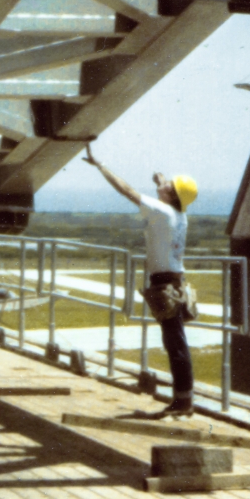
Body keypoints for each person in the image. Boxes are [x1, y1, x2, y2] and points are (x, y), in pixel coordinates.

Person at [85, 144, 199, 417]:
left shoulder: (161, 211)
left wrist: (101, 166)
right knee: (176, 342)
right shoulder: (179, 214)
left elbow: (127, 191)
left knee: (175, 344)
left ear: (171, 195)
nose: (164, 184)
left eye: (168, 185)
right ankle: (183, 400)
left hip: (165, 284)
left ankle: (183, 401)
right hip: (175, 281)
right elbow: (168, 193)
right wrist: (162, 182)